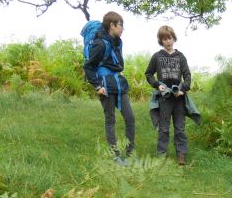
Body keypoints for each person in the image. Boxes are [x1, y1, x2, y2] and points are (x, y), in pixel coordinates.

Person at [84, 11, 135, 163]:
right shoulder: (100, 44)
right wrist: (97, 86)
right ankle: (116, 156)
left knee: (130, 118)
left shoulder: (117, 42)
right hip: (105, 86)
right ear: (112, 25)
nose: (123, 28)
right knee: (110, 120)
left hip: (118, 83)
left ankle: (130, 154)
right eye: (121, 25)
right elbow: (88, 66)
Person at [145, 25, 196, 165]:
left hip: (179, 98)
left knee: (180, 128)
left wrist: (183, 89)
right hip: (164, 98)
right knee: (164, 128)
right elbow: (148, 73)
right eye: (164, 39)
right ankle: (161, 154)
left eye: (170, 38)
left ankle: (181, 154)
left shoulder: (181, 57)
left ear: (174, 38)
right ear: (161, 40)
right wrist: (157, 85)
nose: (168, 41)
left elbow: (187, 75)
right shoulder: (157, 56)